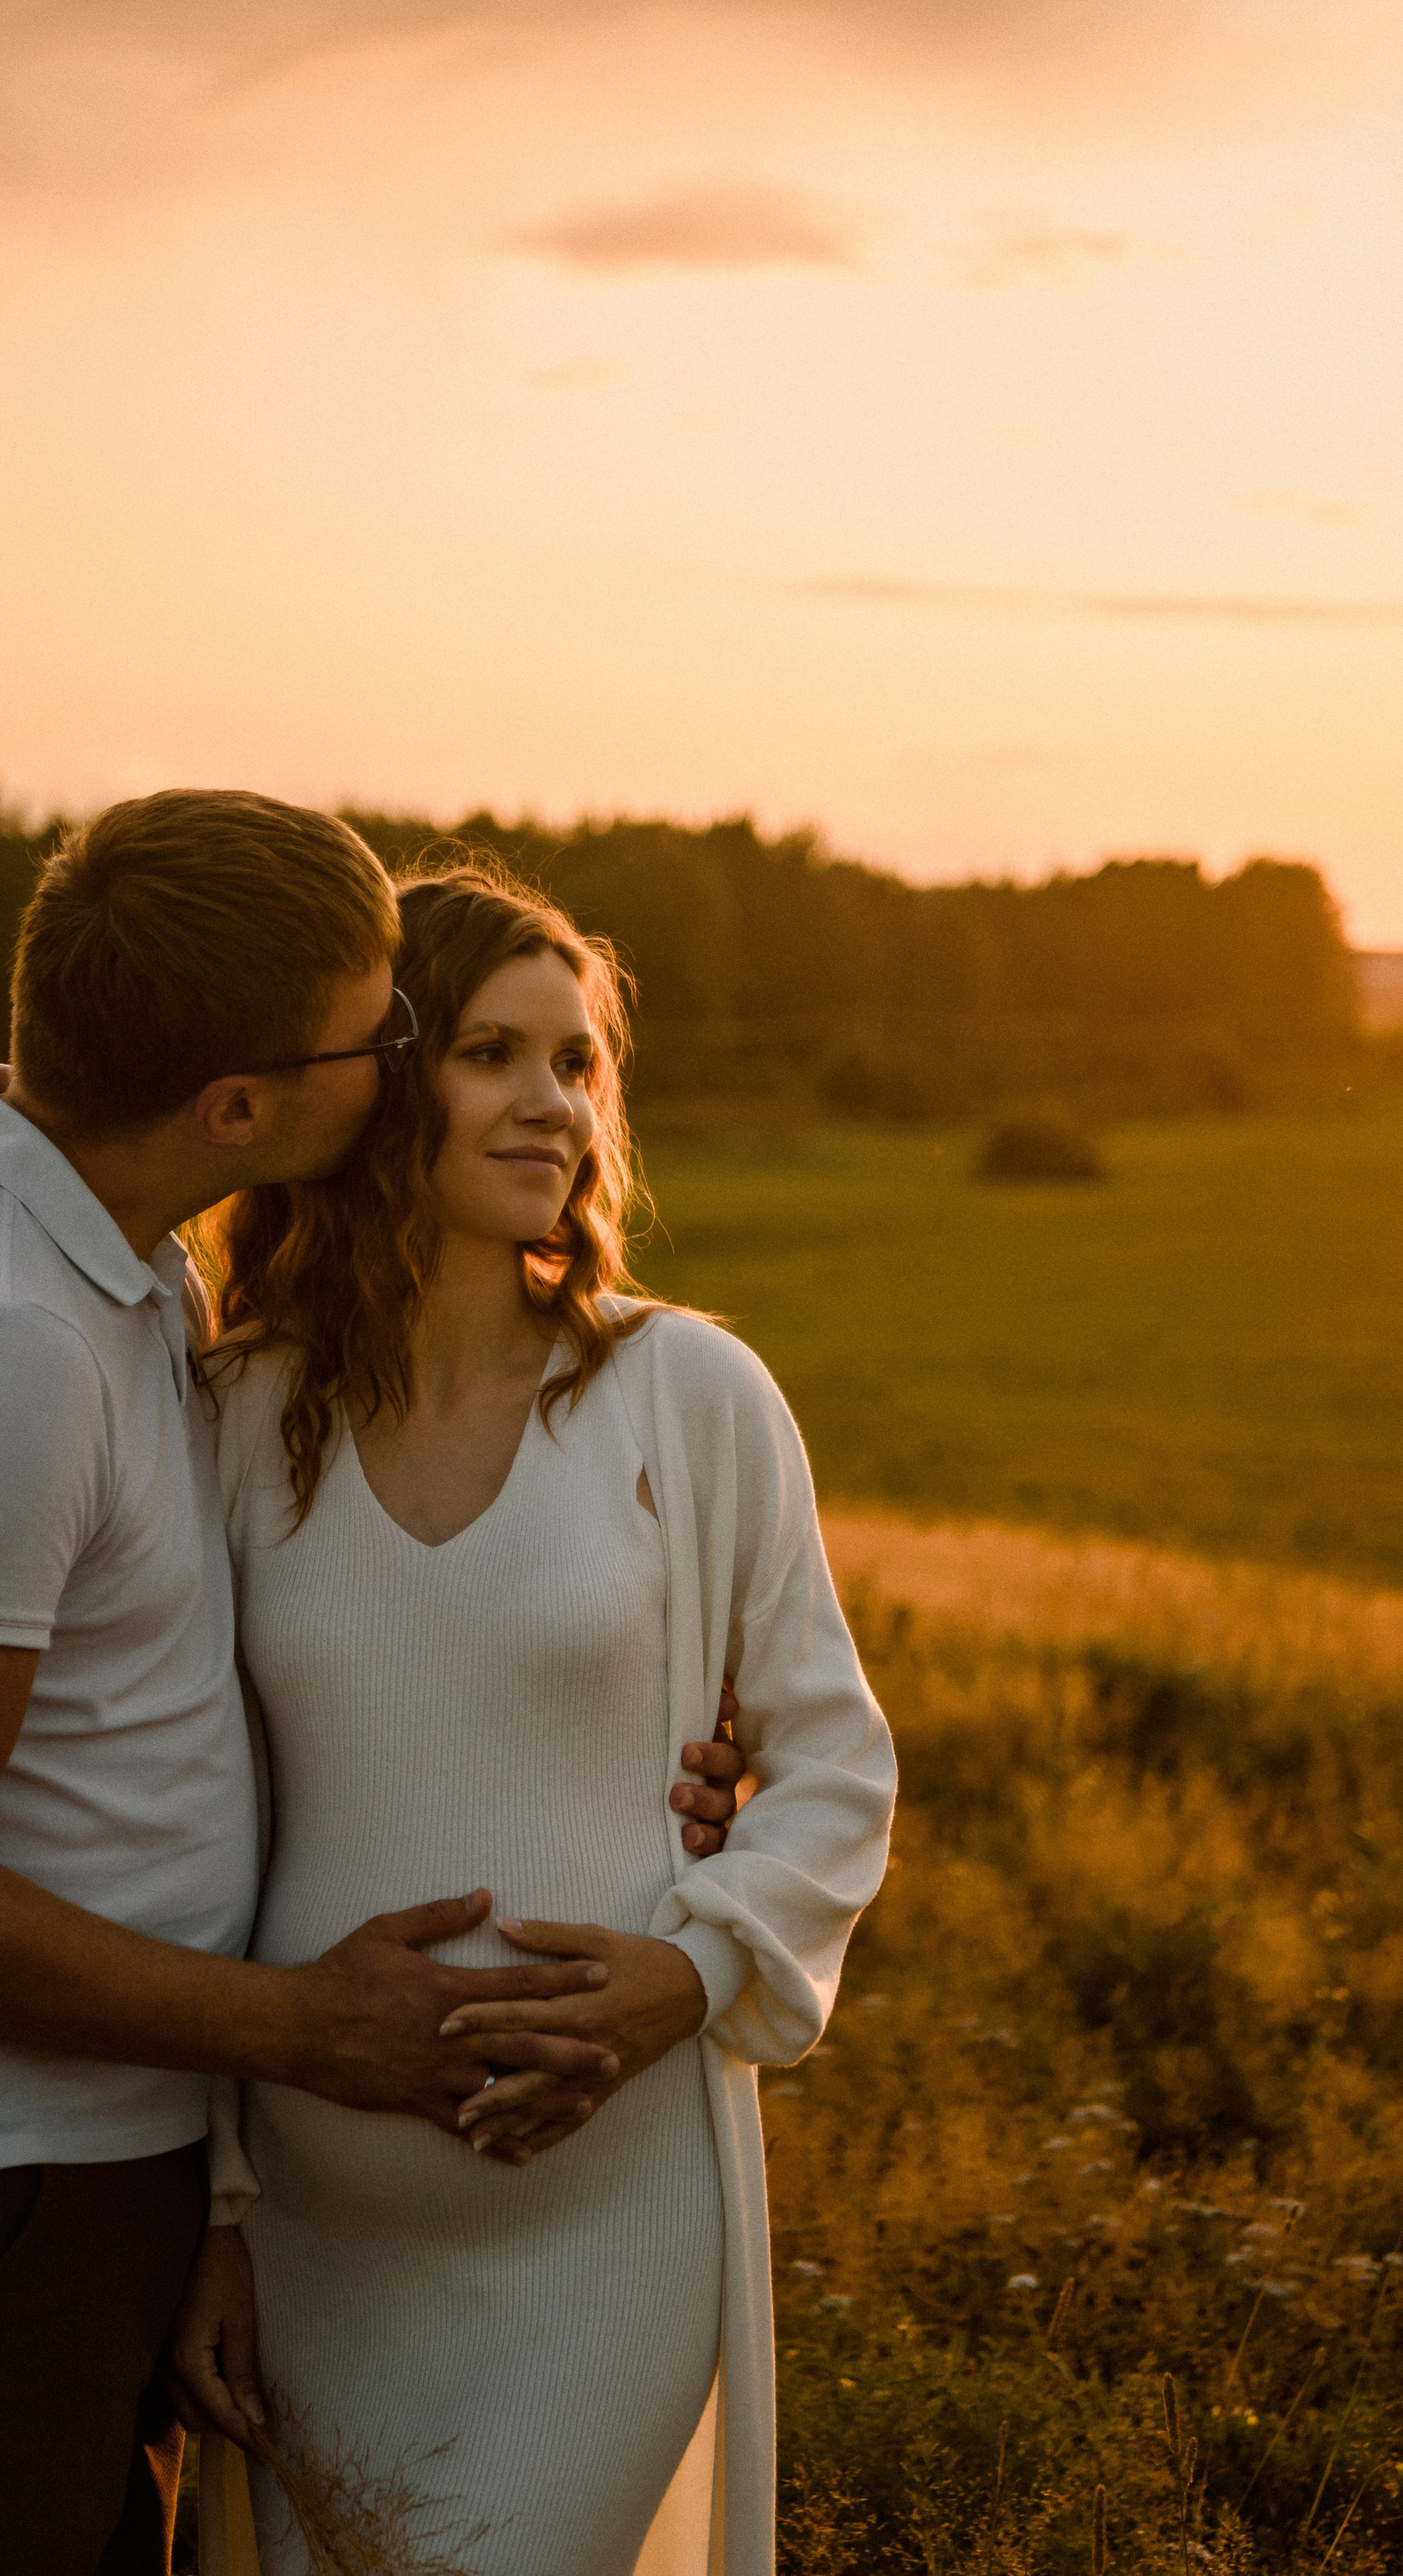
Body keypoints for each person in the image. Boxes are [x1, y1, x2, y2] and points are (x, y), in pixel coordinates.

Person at [0, 794, 745, 2576]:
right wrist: (305, 2033)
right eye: (386, 1035)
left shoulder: (124, 1268)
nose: (404, 1064)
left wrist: (666, 1764)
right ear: (237, 1106)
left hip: (101, 2165)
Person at [169, 859, 898, 2576]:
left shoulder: (686, 1393)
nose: (550, 1102)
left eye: (576, 1063)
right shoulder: (231, 1411)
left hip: (609, 2227)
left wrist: (686, 1975)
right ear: (381, 1072)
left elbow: (832, 1764)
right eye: (494, 1051)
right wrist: (210, 2209)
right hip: (310, 2233)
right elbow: (188, 1829)